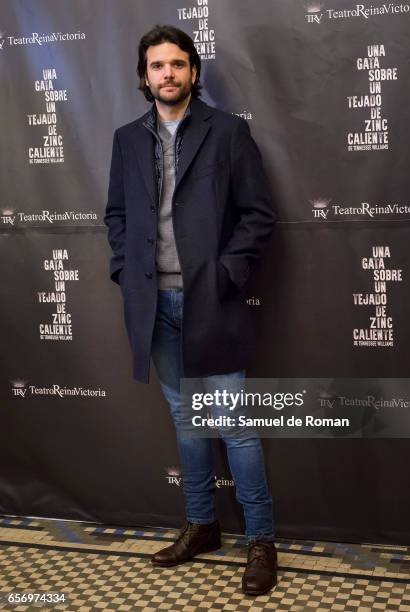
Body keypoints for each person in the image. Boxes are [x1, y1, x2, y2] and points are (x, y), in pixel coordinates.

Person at [104, 24, 277, 596]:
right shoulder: (127, 139)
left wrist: (227, 274)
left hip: (213, 301)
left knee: (235, 426)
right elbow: (117, 216)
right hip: (154, 304)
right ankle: (201, 525)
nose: (168, 74)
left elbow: (257, 215)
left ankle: (261, 540)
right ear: (144, 76)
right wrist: (126, 272)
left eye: (178, 64)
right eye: (157, 66)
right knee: (186, 420)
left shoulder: (228, 132)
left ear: (194, 72)